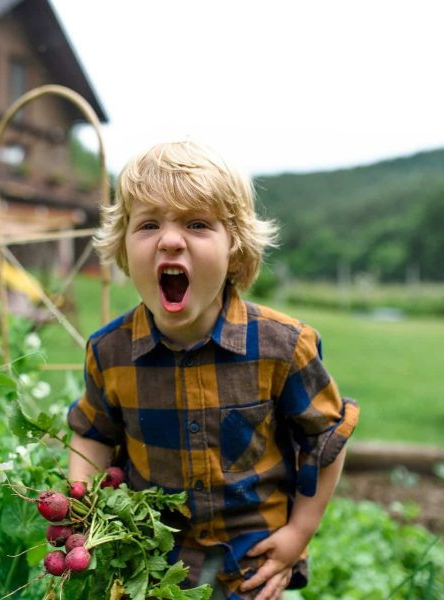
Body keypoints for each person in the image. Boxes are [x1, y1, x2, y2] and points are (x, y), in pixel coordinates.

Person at [67, 140, 360, 599]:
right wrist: (83, 508)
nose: (169, 239)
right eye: (148, 224)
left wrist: (299, 534)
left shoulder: (282, 347)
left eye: (197, 224)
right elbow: (93, 432)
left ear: (235, 251)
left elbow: (326, 442)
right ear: (123, 248)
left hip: (252, 564)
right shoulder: (110, 351)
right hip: (151, 566)